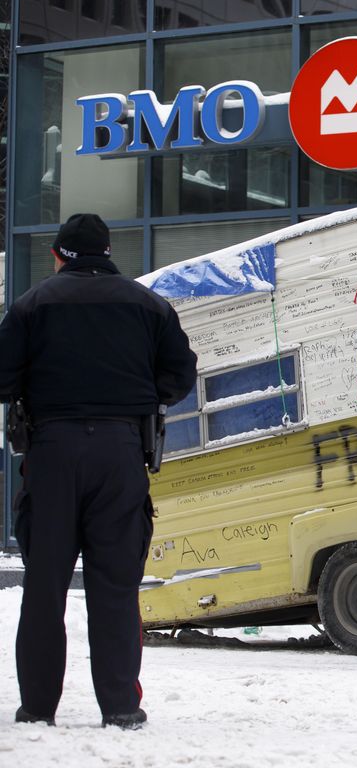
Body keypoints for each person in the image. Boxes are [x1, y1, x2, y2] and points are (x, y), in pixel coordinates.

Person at [0, 213, 197, 729]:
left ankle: (38, 708)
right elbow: (180, 375)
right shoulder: (147, 304)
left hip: (52, 452)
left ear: (59, 254)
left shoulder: (32, 305)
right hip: (120, 452)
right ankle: (121, 708)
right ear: (108, 253)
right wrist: (138, 396)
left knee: (44, 587)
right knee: (115, 587)